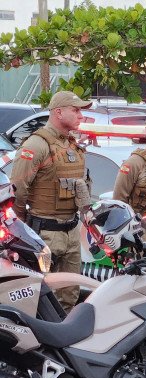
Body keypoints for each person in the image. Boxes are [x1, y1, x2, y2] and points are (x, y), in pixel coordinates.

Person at [10, 90, 93, 310]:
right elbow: (18, 188)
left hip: (71, 230)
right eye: (75, 110)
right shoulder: (37, 145)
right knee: (40, 295)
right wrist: (21, 225)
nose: (81, 116)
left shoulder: (71, 145)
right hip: (44, 233)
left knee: (69, 294)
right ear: (58, 112)